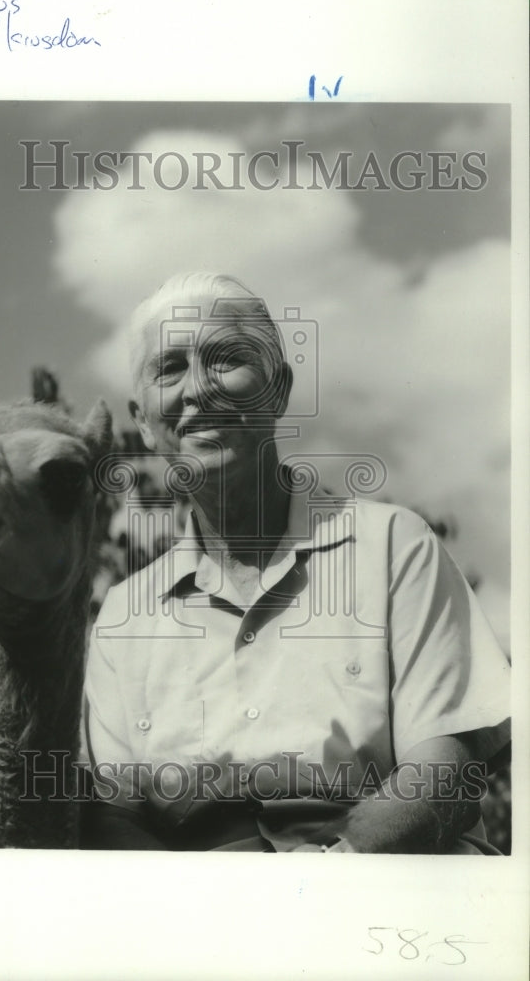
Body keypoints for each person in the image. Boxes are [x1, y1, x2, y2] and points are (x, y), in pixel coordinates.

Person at [79, 272, 510, 854]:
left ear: (278, 389)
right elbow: (115, 818)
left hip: (384, 904)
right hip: (196, 923)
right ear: (144, 422)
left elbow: (444, 774)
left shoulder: (393, 547)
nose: (198, 390)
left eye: (226, 358)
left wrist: (320, 888)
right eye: (170, 368)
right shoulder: (122, 618)